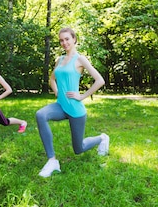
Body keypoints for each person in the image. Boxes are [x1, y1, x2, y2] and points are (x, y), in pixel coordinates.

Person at [35, 27, 109, 177]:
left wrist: (82, 96)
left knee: (78, 149)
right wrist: (57, 92)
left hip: (75, 109)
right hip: (61, 105)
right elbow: (51, 79)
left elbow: (100, 80)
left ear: (74, 39)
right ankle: (52, 160)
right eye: (61, 40)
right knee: (40, 115)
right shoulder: (59, 60)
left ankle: (102, 138)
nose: (64, 42)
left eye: (67, 39)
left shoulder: (80, 59)